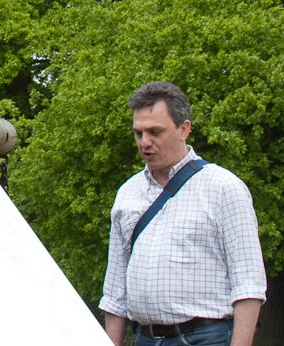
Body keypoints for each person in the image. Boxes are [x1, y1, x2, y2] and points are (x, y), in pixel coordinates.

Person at [100, 81, 265, 346]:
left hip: (206, 338)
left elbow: (249, 284)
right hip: (143, 338)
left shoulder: (224, 188)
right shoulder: (127, 193)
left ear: (184, 129)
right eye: (138, 133)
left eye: (156, 132)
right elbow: (115, 291)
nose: (145, 143)